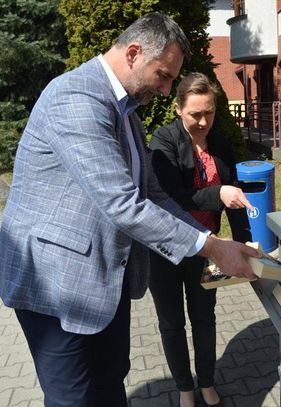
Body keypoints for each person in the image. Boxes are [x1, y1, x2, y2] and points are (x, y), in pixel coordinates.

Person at [0, 13, 258, 407]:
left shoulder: (126, 113)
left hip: (105, 283)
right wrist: (213, 249)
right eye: (165, 75)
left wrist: (211, 238)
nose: (167, 87)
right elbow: (123, 203)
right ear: (134, 52)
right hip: (56, 288)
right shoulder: (77, 97)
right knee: (74, 399)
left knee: (110, 386)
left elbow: (153, 194)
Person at [148, 73, 253, 407]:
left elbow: (233, 197)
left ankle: (206, 381)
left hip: (210, 250)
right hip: (165, 249)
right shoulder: (162, 142)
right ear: (179, 109)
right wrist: (218, 193)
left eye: (209, 112)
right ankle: (183, 387)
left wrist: (243, 242)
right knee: (172, 323)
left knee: (205, 318)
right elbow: (173, 196)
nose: (203, 121)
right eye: (195, 114)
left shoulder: (220, 143)